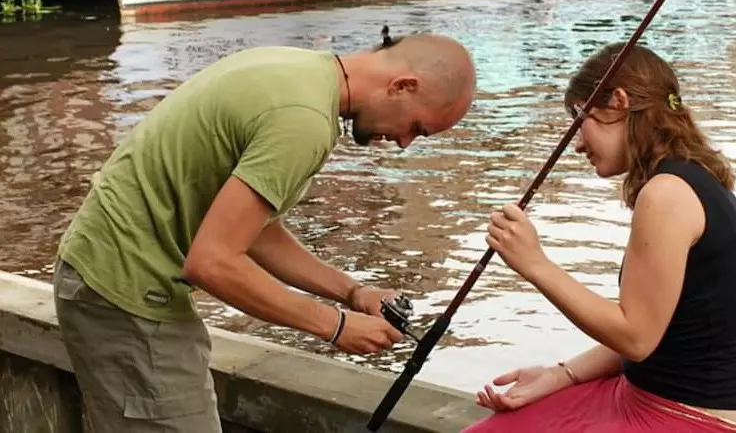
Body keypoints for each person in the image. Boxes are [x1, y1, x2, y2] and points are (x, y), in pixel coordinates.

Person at [52, 27, 476, 432]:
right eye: (417, 129)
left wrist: (353, 293)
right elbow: (212, 262)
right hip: (126, 296)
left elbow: (255, 231)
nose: (404, 143)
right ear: (402, 85)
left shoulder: (298, 71)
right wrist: (335, 326)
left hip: (101, 275)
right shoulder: (303, 122)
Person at [464, 42, 736, 432]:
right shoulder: (689, 178)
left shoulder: (667, 193)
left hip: (690, 420)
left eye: (580, 117)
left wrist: (535, 264)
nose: (577, 143)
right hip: (638, 395)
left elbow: (636, 337)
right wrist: (560, 375)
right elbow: (658, 330)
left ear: (618, 102)